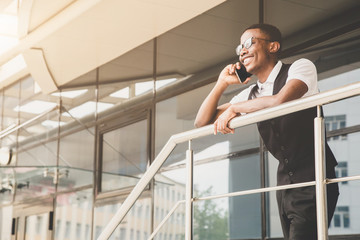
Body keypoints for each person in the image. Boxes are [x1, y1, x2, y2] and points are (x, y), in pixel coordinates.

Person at [194, 23, 339, 240]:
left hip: (314, 179)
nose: (242, 51)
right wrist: (221, 84)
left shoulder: (300, 67)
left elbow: (280, 100)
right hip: (284, 187)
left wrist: (234, 108)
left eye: (249, 43)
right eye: (239, 48)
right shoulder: (252, 93)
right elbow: (201, 121)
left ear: (273, 47)